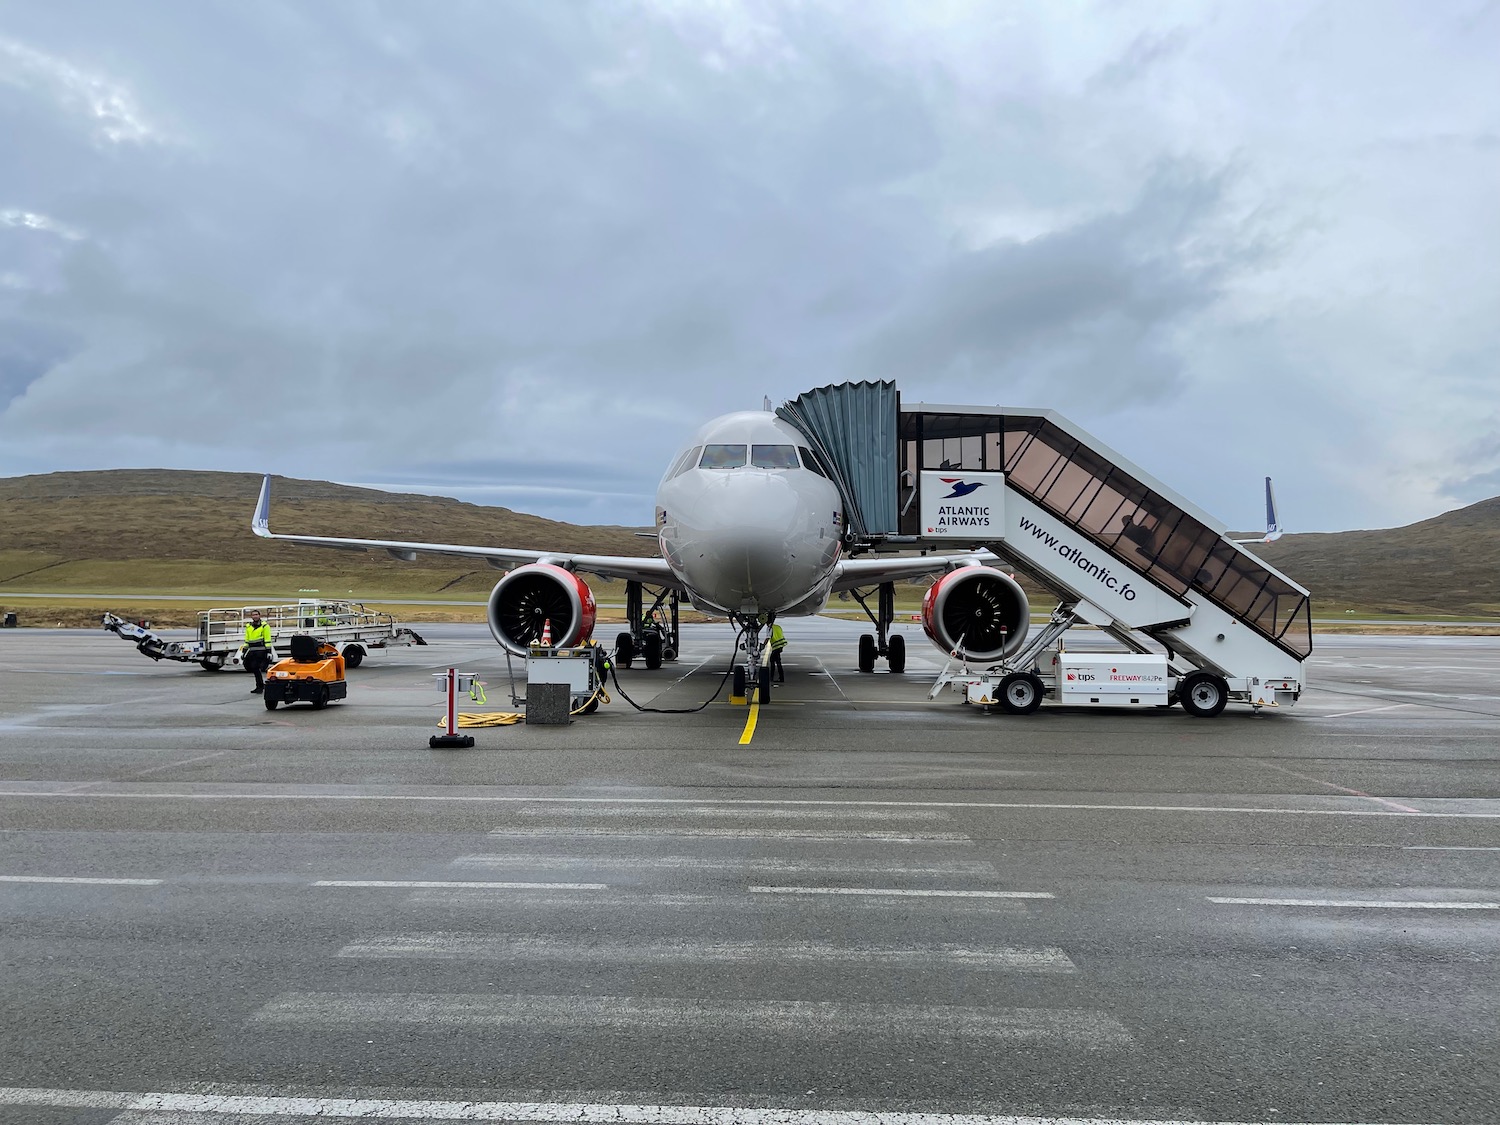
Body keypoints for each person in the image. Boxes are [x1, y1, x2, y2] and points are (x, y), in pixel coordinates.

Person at [240, 609, 273, 694]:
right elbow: (247, 640)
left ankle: (260, 686)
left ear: (259, 616)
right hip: (252, 651)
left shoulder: (264, 626)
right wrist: (244, 651)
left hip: (261, 650)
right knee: (253, 668)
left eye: (256, 614)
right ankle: (260, 685)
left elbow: (267, 639)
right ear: (251, 617)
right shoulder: (248, 627)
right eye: (253, 615)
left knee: (256, 667)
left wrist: (269, 651)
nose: (255, 616)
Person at [767, 613, 787, 683]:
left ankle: (772, 677)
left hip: (776, 647)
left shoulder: (769, 628)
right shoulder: (777, 627)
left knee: (772, 661)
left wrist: (762, 645)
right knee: (778, 662)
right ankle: (781, 678)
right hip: (780, 646)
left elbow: (768, 637)